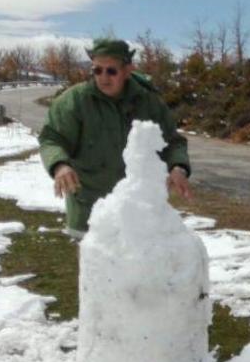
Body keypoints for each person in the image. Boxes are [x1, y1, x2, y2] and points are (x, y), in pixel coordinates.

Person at [38, 39, 192, 237]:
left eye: (111, 71)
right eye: (97, 70)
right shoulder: (74, 101)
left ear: (127, 70)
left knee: (136, 264)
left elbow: (173, 142)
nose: (103, 77)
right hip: (88, 209)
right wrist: (59, 165)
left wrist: (178, 167)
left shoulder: (149, 102)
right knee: (95, 264)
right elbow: (52, 138)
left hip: (136, 208)